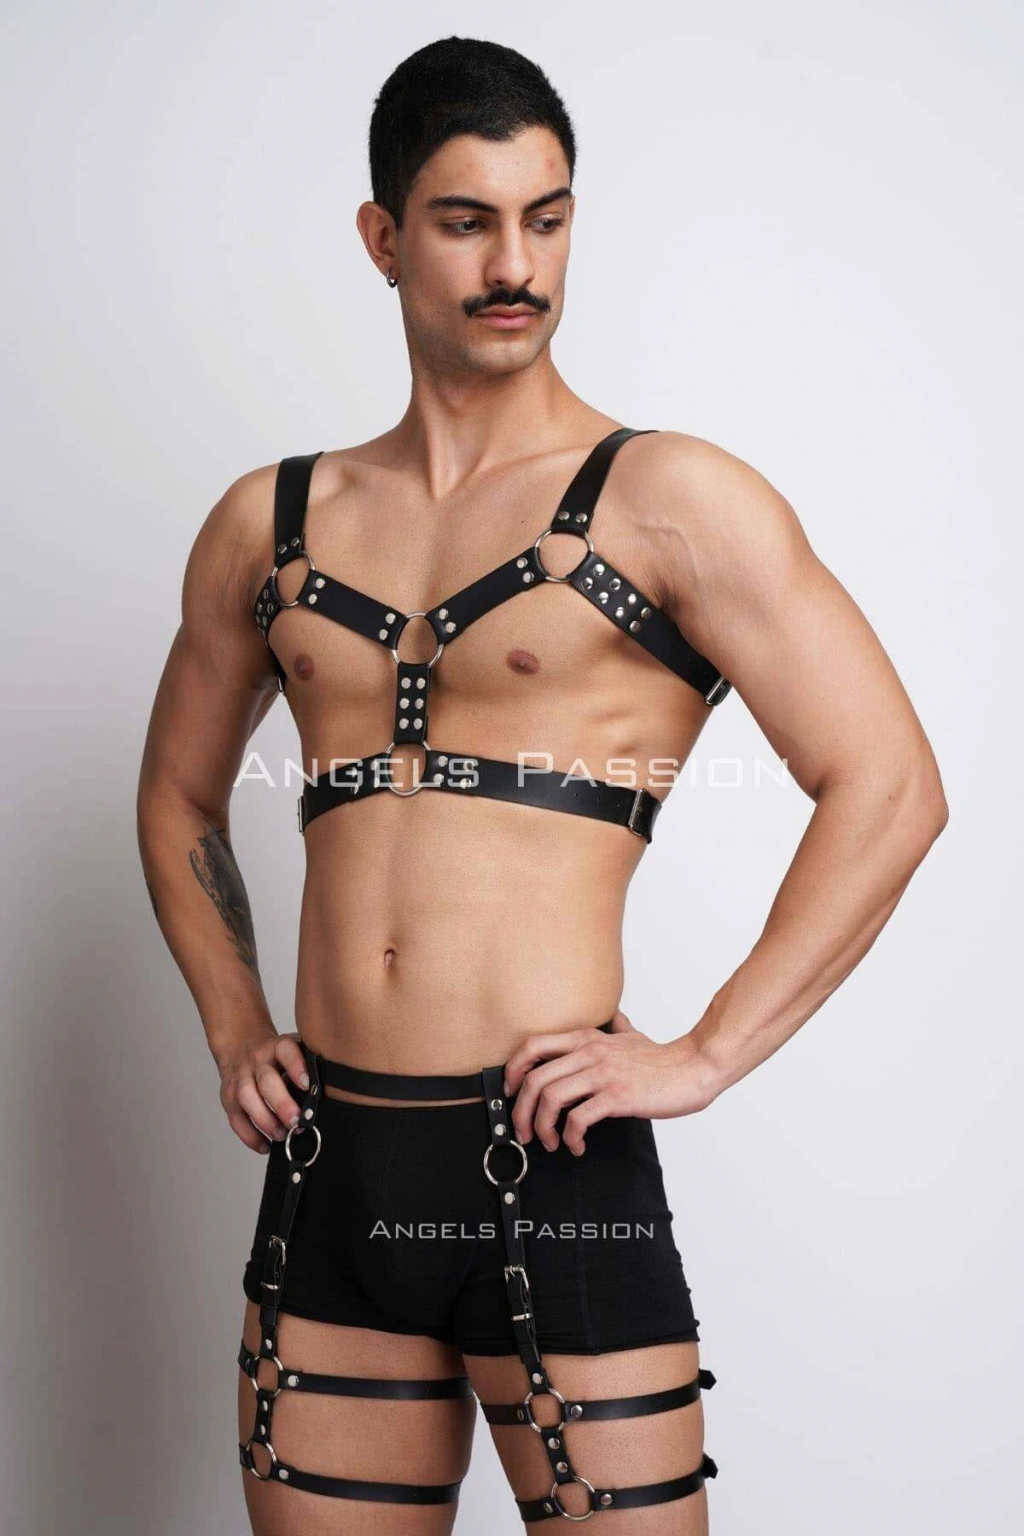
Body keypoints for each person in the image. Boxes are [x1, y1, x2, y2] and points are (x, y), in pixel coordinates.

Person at [136, 34, 947, 1535]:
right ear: (383, 237)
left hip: (552, 1162)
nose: (516, 265)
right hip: (329, 1167)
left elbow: (890, 785)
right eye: (466, 222)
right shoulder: (272, 522)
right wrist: (233, 1020)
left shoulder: (671, 501)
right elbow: (179, 798)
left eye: (547, 218)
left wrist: (705, 1055)